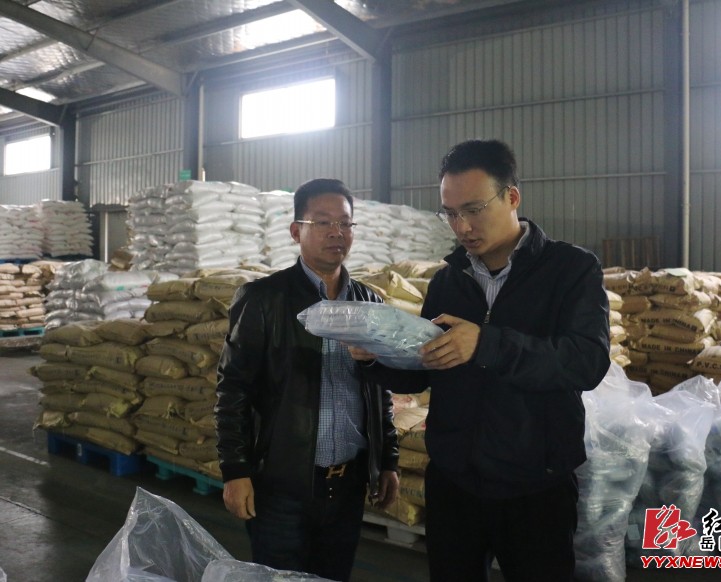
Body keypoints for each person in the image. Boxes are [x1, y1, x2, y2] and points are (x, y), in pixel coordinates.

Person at [354, 139, 611, 581]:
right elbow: (425, 369)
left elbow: (586, 362)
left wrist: (486, 344)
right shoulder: (448, 282)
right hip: (455, 483)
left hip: (535, 486)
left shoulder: (570, 270)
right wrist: (375, 356)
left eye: (473, 209)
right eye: (451, 214)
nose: (463, 226)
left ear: (512, 197)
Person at [215, 178, 400, 582]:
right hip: (282, 486)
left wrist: (387, 462)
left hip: (347, 486)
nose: (336, 232)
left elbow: (379, 390)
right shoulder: (264, 299)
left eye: (345, 223)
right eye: (323, 222)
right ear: (296, 230)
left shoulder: (369, 303)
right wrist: (235, 470)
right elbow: (233, 390)